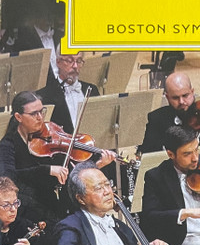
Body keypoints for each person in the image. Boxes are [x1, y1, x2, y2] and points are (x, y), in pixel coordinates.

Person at [0, 91, 115, 229]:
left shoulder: (49, 137)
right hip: (26, 207)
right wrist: (47, 170)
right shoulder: (8, 145)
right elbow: (9, 178)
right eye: (34, 114)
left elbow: (69, 174)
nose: (40, 117)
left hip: (52, 202)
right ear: (18, 117)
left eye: (42, 111)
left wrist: (96, 166)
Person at [37, 50, 100, 134]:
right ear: (58, 62)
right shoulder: (44, 96)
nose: (75, 66)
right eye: (70, 61)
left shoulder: (92, 90)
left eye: (79, 61)